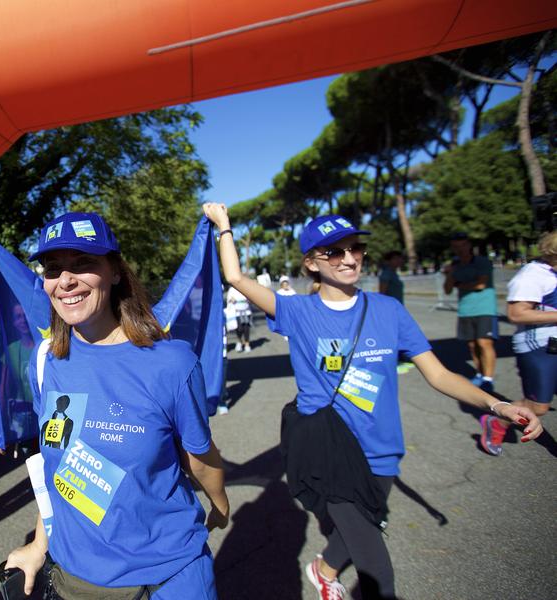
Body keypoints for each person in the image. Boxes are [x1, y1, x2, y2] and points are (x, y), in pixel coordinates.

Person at [202, 203, 541, 600]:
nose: (349, 258)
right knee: (378, 572)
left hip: (382, 451)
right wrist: (224, 226)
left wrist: (497, 406)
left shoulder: (388, 310)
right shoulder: (297, 311)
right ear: (311, 263)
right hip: (330, 453)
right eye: (335, 252)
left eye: (355, 249)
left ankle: (323, 570)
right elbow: (236, 276)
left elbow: (439, 374)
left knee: (368, 523)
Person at [3, 212, 230, 599]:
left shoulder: (171, 362)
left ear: (115, 272)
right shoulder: (47, 361)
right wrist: (40, 544)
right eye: (53, 269)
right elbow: (59, 467)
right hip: (78, 581)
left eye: (84, 263)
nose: (66, 280)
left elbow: (200, 456)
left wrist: (220, 505)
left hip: (167, 576)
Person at [481, 231, 557, 456]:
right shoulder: (533, 275)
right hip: (540, 348)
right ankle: (498, 423)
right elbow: (516, 314)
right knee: (538, 407)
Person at [443, 233, 499, 393]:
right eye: (456, 246)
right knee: (472, 345)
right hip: (465, 310)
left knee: (484, 342)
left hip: (485, 308)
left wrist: (459, 284)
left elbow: (481, 284)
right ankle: (480, 374)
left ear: (469, 245)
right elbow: (447, 290)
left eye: (462, 245)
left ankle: (488, 379)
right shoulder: (454, 265)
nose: (460, 249)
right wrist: (450, 275)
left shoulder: (481, 262)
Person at [227, 285, 252, 352]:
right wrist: (231, 300)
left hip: (246, 312)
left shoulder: (245, 287)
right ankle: (240, 341)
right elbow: (229, 299)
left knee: (246, 329)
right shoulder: (231, 289)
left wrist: (248, 299)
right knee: (239, 329)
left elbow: (251, 298)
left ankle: (247, 344)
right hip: (236, 313)